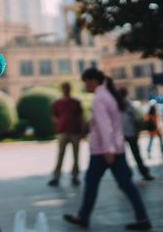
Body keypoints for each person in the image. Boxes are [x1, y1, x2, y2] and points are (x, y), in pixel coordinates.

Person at [63, 68, 152, 231]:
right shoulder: (109, 95)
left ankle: (83, 216)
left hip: (103, 151)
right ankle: (142, 217)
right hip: (114, 147)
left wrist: (108, 149)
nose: (85, 86)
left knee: (92, 182)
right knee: (124, 184)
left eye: (85, 82)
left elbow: (105, 125)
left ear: (92, 81)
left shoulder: (99, 98)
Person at [47, 81, 84, 187]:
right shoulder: (57, 103)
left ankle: (75, 176)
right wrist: (59, 121)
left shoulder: (76, 102)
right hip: (62, 131)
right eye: (64, 88)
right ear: (62, 89)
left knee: (76, 155)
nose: (66, 90)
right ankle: (56, 176)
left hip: (75, 131)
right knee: (60, 155)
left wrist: (82, 131)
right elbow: (53, 116)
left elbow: (81, 116)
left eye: (67, 88)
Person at [119, 87, 153, 181]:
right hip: (123, 135)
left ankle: (143, 172)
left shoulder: (129, 105)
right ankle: (128, 173)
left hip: (130, 134)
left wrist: (137, 131)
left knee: (136, 155)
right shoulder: (120, 105)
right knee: (126, 156)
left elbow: (138, 119)